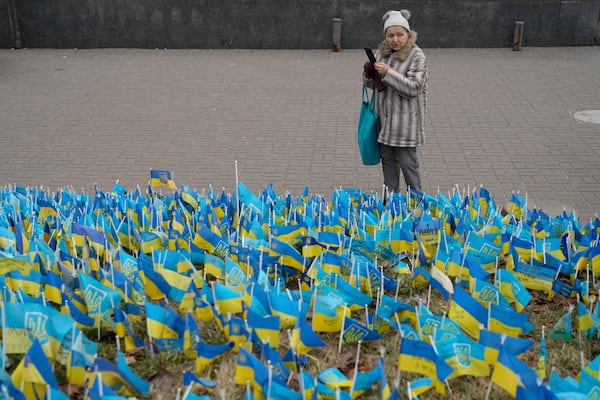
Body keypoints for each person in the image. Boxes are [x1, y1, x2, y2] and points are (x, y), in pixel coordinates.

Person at [363, 9, 428, 195]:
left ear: (408, 34)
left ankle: (416, 203)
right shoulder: (382, 53)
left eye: (400, 34)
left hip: (406, 124)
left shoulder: (417, 56)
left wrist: (388, 73)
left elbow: (414, 88)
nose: (395, 39)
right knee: (388, 164)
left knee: (409, 166)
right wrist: (369, 75)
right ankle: (390, 203)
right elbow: (374, 85)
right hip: (384, 122)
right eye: (390, 35)